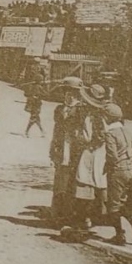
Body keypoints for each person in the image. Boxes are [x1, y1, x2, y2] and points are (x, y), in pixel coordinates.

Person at [101, 102, 132, 245]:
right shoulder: (126, 130)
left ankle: (120, 235)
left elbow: (112, 155)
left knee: (112, 205)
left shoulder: (110, 134)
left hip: (117, 171)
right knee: (121, 201)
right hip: (129, 170)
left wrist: (109, 166)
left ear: (107, 117)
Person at [71, 83, 110, 229]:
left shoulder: (90, 118)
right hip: (102, 152)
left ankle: (85, 218)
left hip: (90, 152)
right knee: (100, 182)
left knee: (86, 181)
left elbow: (87, 137)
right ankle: (100, 215)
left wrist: (77, 135)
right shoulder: (104, 116)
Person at [49, 77, 84, 224]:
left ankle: (69, 215)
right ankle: (57, 214)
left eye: (73, 94)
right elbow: (56, 131)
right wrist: (52, 150)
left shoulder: (82, 111)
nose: (69, 96)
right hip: (61, 150)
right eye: (67, 93)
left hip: (75, 151)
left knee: (72, 183)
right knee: (59, 182)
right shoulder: (59, 109)